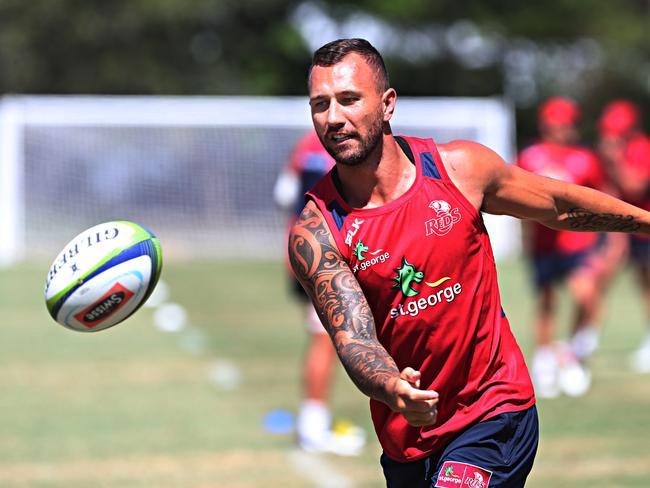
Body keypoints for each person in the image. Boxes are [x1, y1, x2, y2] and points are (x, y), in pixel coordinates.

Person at [288, 38, 650, 487]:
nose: (334, 118)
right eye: (320, 104)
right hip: (407, 437)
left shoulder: (458, 170)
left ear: (386, 105)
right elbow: (353, 339)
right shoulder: (316, 230)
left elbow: (557, 204)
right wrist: (392, 388)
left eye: (348, 100)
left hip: (494, 411)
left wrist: (645, 223)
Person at [273, 130, 365, 455]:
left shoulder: (304, 145)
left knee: (331, 338)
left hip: (303, 253)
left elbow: (283, 195)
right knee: (325, 340)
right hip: (324, 259)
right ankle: (313, 427)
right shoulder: (352, 146)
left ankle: (316, 422)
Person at [517, 97, 611, 398]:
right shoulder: (530, 157)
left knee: (586, 295)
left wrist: (604, 238)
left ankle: (571, 355)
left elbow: (600, 197)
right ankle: (544, 360)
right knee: (546, 303)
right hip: (543, 244)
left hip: (577, 242)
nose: (563, 129)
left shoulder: (585, 158)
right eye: (558, 123)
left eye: (568, 124)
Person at [597, 100, 650, 372]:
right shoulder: (611, 152)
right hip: (627, 226)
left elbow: (635, 185)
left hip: (645, 223)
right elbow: (608, 190)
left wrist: (614, 160)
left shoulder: (641, 148)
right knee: (609, 277)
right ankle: (586, 337)